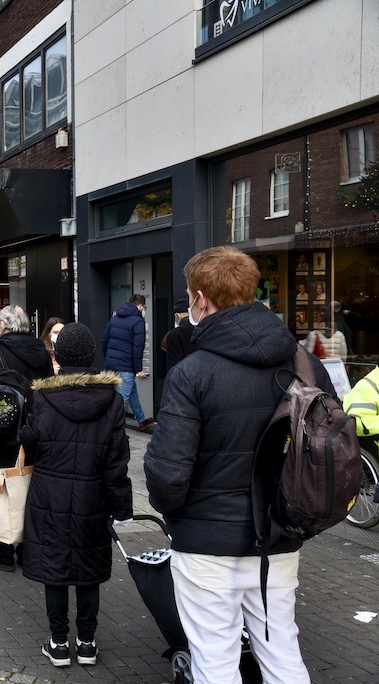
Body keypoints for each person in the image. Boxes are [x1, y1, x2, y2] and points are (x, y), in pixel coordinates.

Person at [145, 246, 333, 684]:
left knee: (215, 662)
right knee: (283, 655)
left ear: (200, 299)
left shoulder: (192, 373)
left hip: (206, 544)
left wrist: (175, 513)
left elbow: (168, 477)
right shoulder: (306, 365)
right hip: (280, 536)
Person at [18, 322, 133, 668]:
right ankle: (86, 642)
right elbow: (117, 460)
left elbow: (30, 442)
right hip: (92, 496)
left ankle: (57, 643)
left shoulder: (42, 397)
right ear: (91, 355)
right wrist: (122, 508)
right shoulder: (113, 400)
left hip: (49, 495)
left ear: (59, 355)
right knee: (89, 567)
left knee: (54, 566)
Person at [0, 305, 53, 568]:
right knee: (29, 492)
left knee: (0, 493)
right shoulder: (42, 353)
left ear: (2, 326)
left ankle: (3, 554)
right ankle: (28, 552)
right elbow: (49, 392)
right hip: (33, 434)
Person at [101, 294, 153, 430]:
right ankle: (111, 431)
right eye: (144, 307)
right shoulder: (138, 321)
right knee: (120, 401)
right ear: (140, 306)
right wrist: (138, 368)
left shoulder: (115, 318)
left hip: (112, 365)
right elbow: (138, 347)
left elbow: (104, 340)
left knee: (132, 392)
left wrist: (108, 359)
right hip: (126, 366)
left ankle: (141, 420)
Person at [161, 299, 197, 374]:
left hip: (183, 376)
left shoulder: (174, 335)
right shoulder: (202, 330)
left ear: (177, 316)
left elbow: (173, 365)